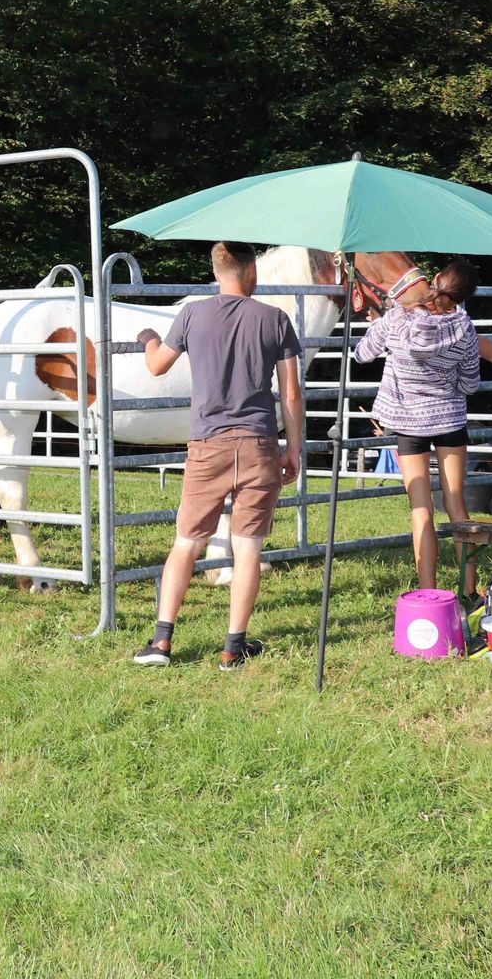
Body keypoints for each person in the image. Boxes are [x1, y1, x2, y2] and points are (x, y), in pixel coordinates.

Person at [132, 242, 303, 670]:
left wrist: (149, 337)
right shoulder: (275, 319)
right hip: (260, 444)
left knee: (186, 542)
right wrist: (294, 448)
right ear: (250, 272)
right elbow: (292, 393)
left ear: (215, 272)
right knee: (247, 549)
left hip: (208, 446)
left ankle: (161, 642)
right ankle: (232, 648)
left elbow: (156, 366)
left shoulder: (192, 313)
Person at [352, 259, 483, 593]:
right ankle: (469, 590)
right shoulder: (464, 326)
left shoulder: (398, 316)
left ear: (436, 279)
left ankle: (428, 591)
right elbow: (470, 384)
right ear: (464, 295)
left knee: (420, 509)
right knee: (456, 504)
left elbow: (362, 354)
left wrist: (378, 325)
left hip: (409, 425)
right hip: (450, 421)